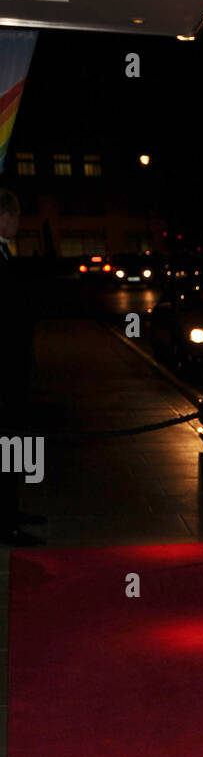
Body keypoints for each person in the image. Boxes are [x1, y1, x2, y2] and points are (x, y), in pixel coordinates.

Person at [0, 188, 43, 546]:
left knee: (16, 442)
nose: (18, 222)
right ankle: (6, 521)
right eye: (14, 216)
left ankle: (13, 510)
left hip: (13, 367)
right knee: (6, 443)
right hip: (3, 370)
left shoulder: (5, 250)